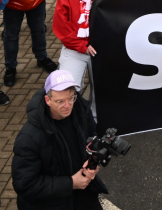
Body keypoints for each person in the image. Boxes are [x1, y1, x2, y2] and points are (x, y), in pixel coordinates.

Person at [11, 70, 108, 210]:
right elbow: (24, 185)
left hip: (83, 197)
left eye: (71, 98)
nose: (67, 105)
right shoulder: (28, 138)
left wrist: (93, 161)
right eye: (60, 101)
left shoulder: (80, 110)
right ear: (47, 100)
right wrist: (71, 183)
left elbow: (92, 136)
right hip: (52, 204)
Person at [53, 0, 98, 88]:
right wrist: (81, 45)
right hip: (74, 48)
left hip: (99, 48)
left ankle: (94, 110)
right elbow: (61, 27)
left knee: (103, 92)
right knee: (67, 88)